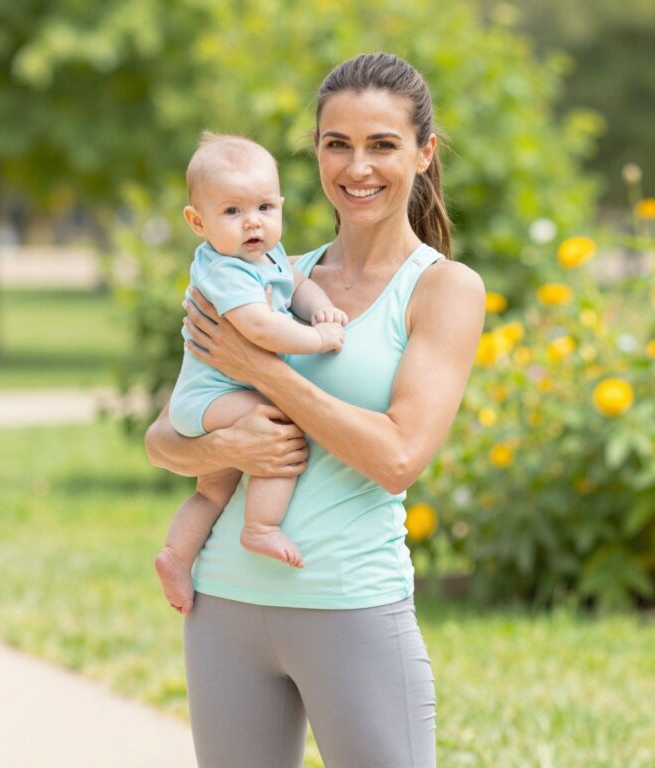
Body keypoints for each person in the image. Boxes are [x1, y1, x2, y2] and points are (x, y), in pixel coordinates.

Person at [144, 52, 485, 767]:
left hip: (350, 605)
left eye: (382, 145)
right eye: (338, 144)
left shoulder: (443, 289)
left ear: (424, 153)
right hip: (223, 606)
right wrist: (226, 451)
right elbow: (162, 441)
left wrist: (263, 371)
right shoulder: (270, 276)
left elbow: (399, 456)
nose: (357, 167)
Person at [155, 133, 348, 616]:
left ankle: (176, 556)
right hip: (211, 397)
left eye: (264, 206)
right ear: (197, 222)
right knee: (281, 424)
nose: (252, 222)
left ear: (280, 205)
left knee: (212, 489)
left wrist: (322, 309)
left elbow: (298, 286)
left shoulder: (268, 257)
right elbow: (261, 329)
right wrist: (319, 340)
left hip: (211, 397)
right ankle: (260, 526)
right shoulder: (224, 271)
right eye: (232, 212)